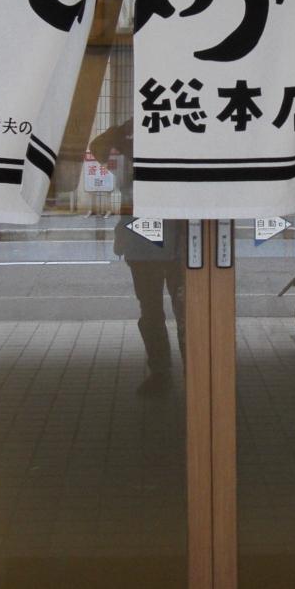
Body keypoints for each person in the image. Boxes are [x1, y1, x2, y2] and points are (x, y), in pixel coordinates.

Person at [90, 119, 186, 397]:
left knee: (178, 312)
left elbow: (99, 147)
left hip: (173, 244)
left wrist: (126, 132)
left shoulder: (174, 137)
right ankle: (164, 371)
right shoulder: (127, 144)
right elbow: (97, 147)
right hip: (148, 244)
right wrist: (128, 129)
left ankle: (179, 371)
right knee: (156, 312)